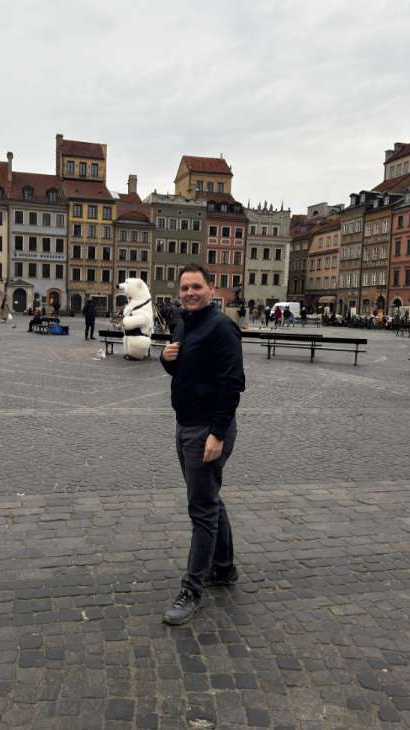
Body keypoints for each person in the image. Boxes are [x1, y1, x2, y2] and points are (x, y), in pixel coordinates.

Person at [159, 263, 245, 625]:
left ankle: (192, 590)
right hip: (186, 424)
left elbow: (232, 383)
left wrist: (217, 434)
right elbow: (184, 369)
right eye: (184, 288)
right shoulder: (184, 324)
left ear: (211, 289)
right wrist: (166, 360)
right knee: (209, 498)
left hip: (206, 430)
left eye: (196, 287)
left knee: (202, 510)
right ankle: (223, 567)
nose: (190, 293)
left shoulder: (222, 327)